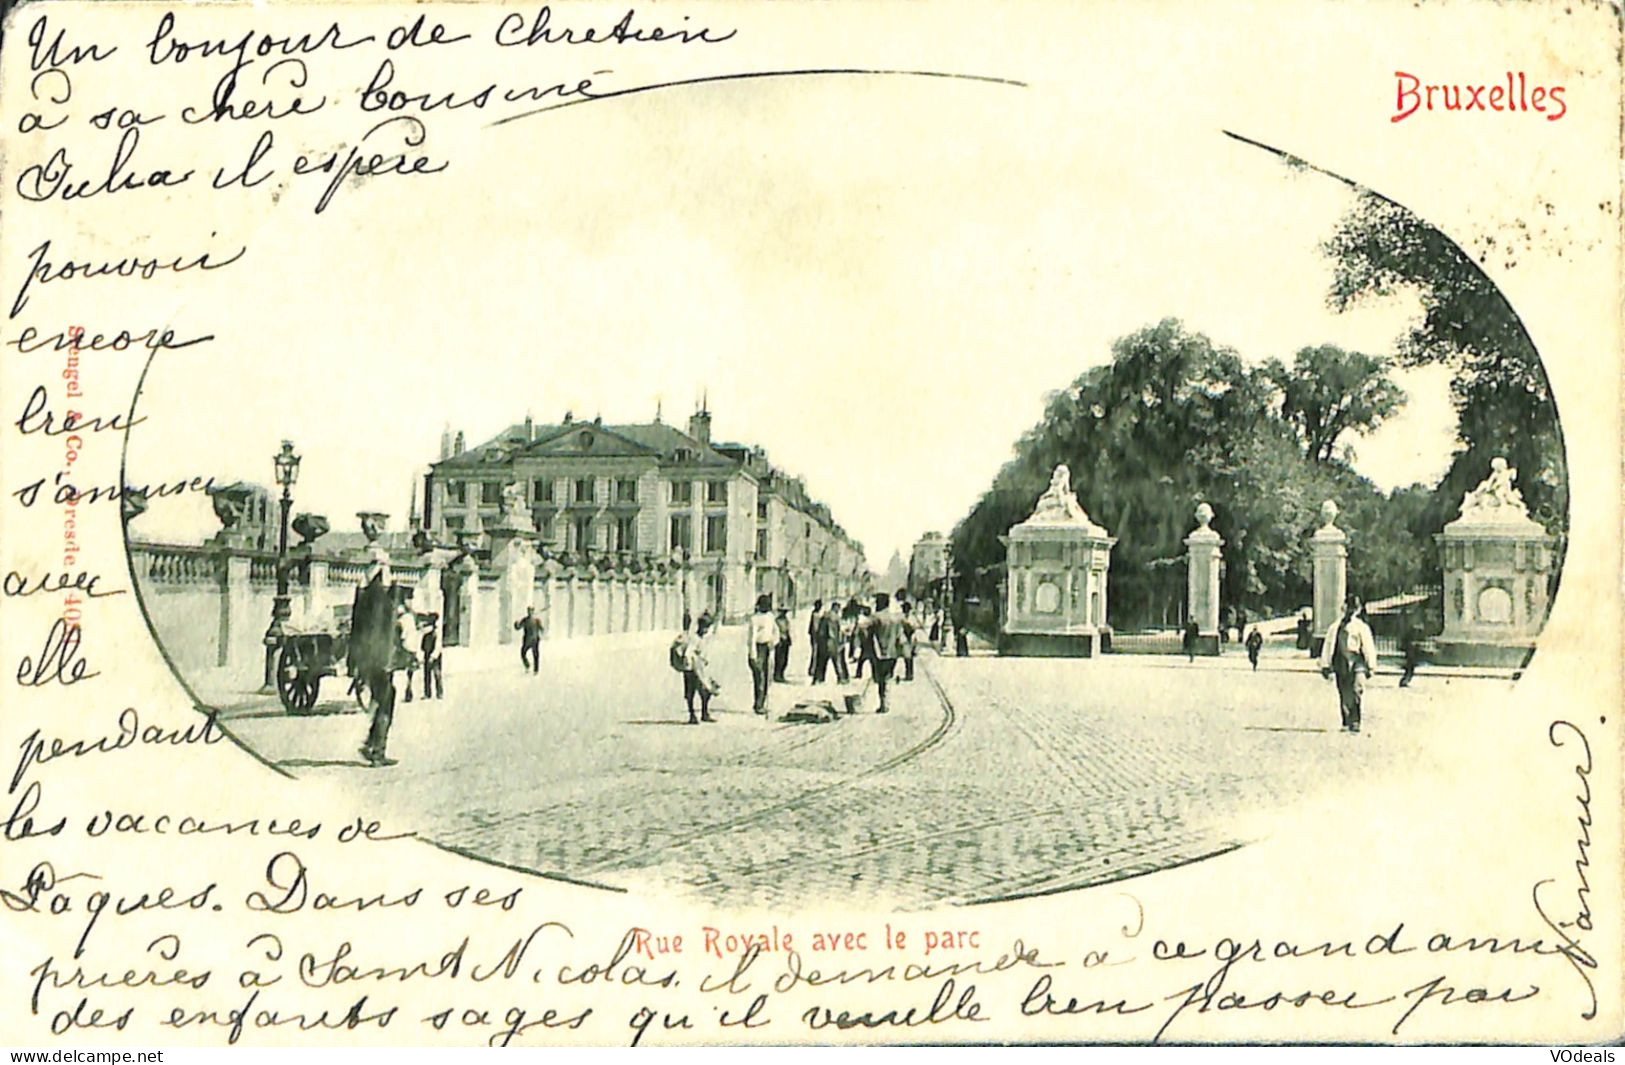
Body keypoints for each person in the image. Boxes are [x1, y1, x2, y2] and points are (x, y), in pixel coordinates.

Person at [349, 563, 402, 767]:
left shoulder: (364, 599)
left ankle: (371, 744)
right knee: (387, 700)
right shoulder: (382, 600)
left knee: (382, 698)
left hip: (366, 658)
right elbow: (387, 628)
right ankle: (376, 750)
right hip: (380, 659)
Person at [1320, 594, 1377, 734]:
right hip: (1341, 662)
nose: (1350, 611)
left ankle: (1355, 721)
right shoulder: (1335, 627)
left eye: (1354, 608)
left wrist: (1371, 665)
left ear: (1357, 610)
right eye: (1348, 608)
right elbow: (1328, 646)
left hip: (1357, 662)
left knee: (1357, 690)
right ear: (1343, 608)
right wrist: (1325, 665)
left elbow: (1368, 646)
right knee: (1344, 691)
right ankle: (1346, 721)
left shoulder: (1361, 627)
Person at [865, 593, 905, 713]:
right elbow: (900, 637)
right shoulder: (895, 619)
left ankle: (883, 703)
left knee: (880, 678)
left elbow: (865, 631)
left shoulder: (875, 618)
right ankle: (886, 702)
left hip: (878, 653)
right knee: (887, 677)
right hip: (892, 652)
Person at [748, 595, 776, 714]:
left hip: (767, 648)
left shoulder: (770, 617)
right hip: (757, 649)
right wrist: (753, 655)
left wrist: (773, 642)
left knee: (767, 677)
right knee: (759, 678)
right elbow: (752, 638)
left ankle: (762, 703)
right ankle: (758, 705)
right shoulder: (754, 619)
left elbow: (775, 631)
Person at [514, 605, 544, 674]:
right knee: (523, 654)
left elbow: (541, 628)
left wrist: (541, 629)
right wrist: (516, 624)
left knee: (535, 655)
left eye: (531, 610)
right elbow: (518, 627)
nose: (529, 612)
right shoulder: (526, 620)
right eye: (529, 610)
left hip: (534, 640)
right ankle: (528, 666)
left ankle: (535, 670)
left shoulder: (536, 620)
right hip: (528, 640)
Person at [421, 612, 443, 700]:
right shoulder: (426, 632)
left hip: (435, 656)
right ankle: (427, 693)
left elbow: (438, 646)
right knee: (426, 675)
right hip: (427, 654)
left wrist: (433, 656)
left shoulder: (436, 632)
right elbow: (422, 644)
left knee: (437, 674)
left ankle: (439, 692)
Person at [900, 600, 918, 682]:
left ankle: (910, 674)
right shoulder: (901, 617)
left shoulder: (912, 617)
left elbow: (914, 626)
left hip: (911, 637)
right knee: (907, 657)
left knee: (910, 657)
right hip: (904, 637)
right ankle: (908, 673)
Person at [773, 607, 792, 683]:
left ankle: (781, 674)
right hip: (780, 641)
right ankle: (777, 675)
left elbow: (787, 631)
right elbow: (776, 632)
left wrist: (789, 638)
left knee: (785, 659)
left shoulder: (786, 620)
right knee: (779, 659)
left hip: (785, 641)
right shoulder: (777, 621)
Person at [806, 599, 822, 677]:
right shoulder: (816, 615)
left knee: (815, 653)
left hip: (813, 636)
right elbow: (815, 628)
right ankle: (813, 669)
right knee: (815, 653)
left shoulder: (814, 613)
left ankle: (812, 668)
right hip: (816, 636)